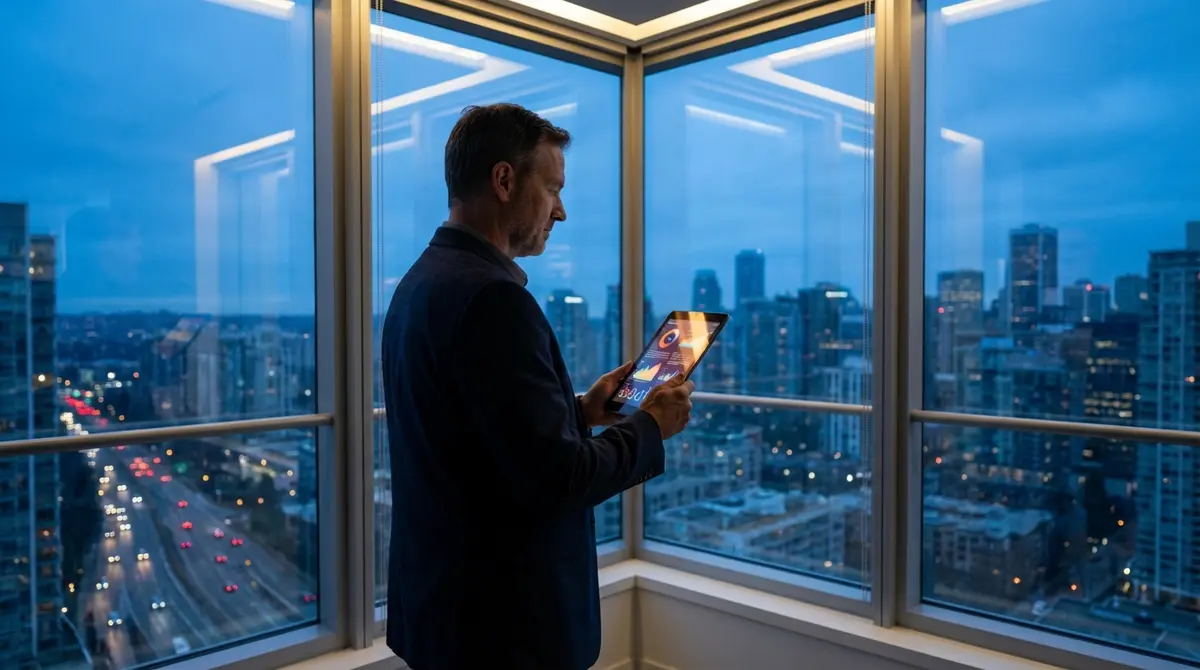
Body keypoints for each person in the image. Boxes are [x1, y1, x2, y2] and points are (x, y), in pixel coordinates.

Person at [381, 103, 694, 670]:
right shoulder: (494, 300)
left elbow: (479, 439)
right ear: (504, 180)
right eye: (552, 189)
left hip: (442, 610)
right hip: (504, 630)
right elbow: (559, 479)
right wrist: (653, 426)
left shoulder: (419, 284)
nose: (562, 211)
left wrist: (581, 411)